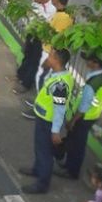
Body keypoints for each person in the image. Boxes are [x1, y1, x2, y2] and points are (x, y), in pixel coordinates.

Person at [20, 48, 73, 194]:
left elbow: (60, 108)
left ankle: (42, 184)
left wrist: (55, 131)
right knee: (39, 148)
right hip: (42, 117)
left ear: (56, 60)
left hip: (48, 122)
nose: (47, 58)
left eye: (50, 56)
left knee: (45, 153)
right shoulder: (55, 74)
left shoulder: (61, 84)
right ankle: (37, 169)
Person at [59, 53, 102, 180]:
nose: (86, 62)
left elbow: (83, 108)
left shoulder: (92, 84)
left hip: (83, 117)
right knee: (75, 141)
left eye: (89, 60)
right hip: (93, 114)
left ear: (95, 63)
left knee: (77, 145)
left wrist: (72, 122)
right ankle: (68, 165)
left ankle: (72, 171)